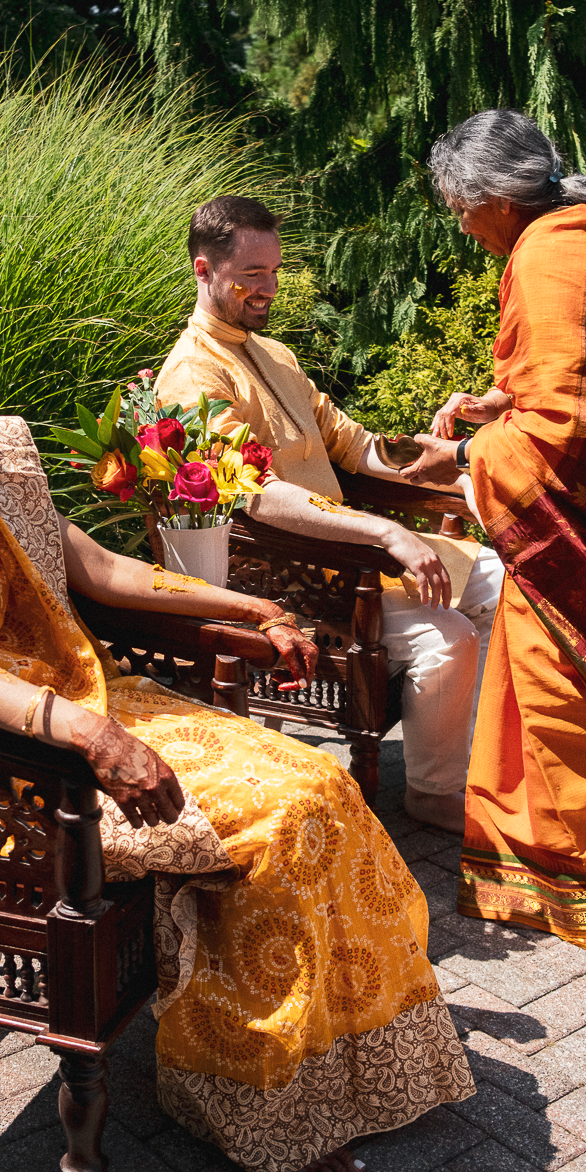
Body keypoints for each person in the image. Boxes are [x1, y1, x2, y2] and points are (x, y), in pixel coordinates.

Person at [0, 244, 474, 1172]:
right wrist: (86, 733)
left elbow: (97, 572)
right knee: (281, 819)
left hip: (60, 709)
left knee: (319, 787)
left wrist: (244, 608)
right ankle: (255, 1098)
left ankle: (334, 1071)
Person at [401, 108, 586, 950]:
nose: (462, 226)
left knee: (559, 691)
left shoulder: (541, 256)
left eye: (461, 207)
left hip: (585, 514)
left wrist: (465, 454)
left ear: (495, 197)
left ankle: (583, 881)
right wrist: (502, 402)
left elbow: (572, 425)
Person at [157, 195, 504, 834]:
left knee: (512, 586)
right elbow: (253, 494)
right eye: (251, 275)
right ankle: (434, 791)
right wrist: (386, 531)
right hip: (288, 574)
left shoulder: (277, 357)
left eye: (275, 270)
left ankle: (477, 757)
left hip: (349, 554)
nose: (268, 287)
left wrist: (463, 467)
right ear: (204, 271)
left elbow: (358, 446)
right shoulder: (190, 378)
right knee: (449, 636)